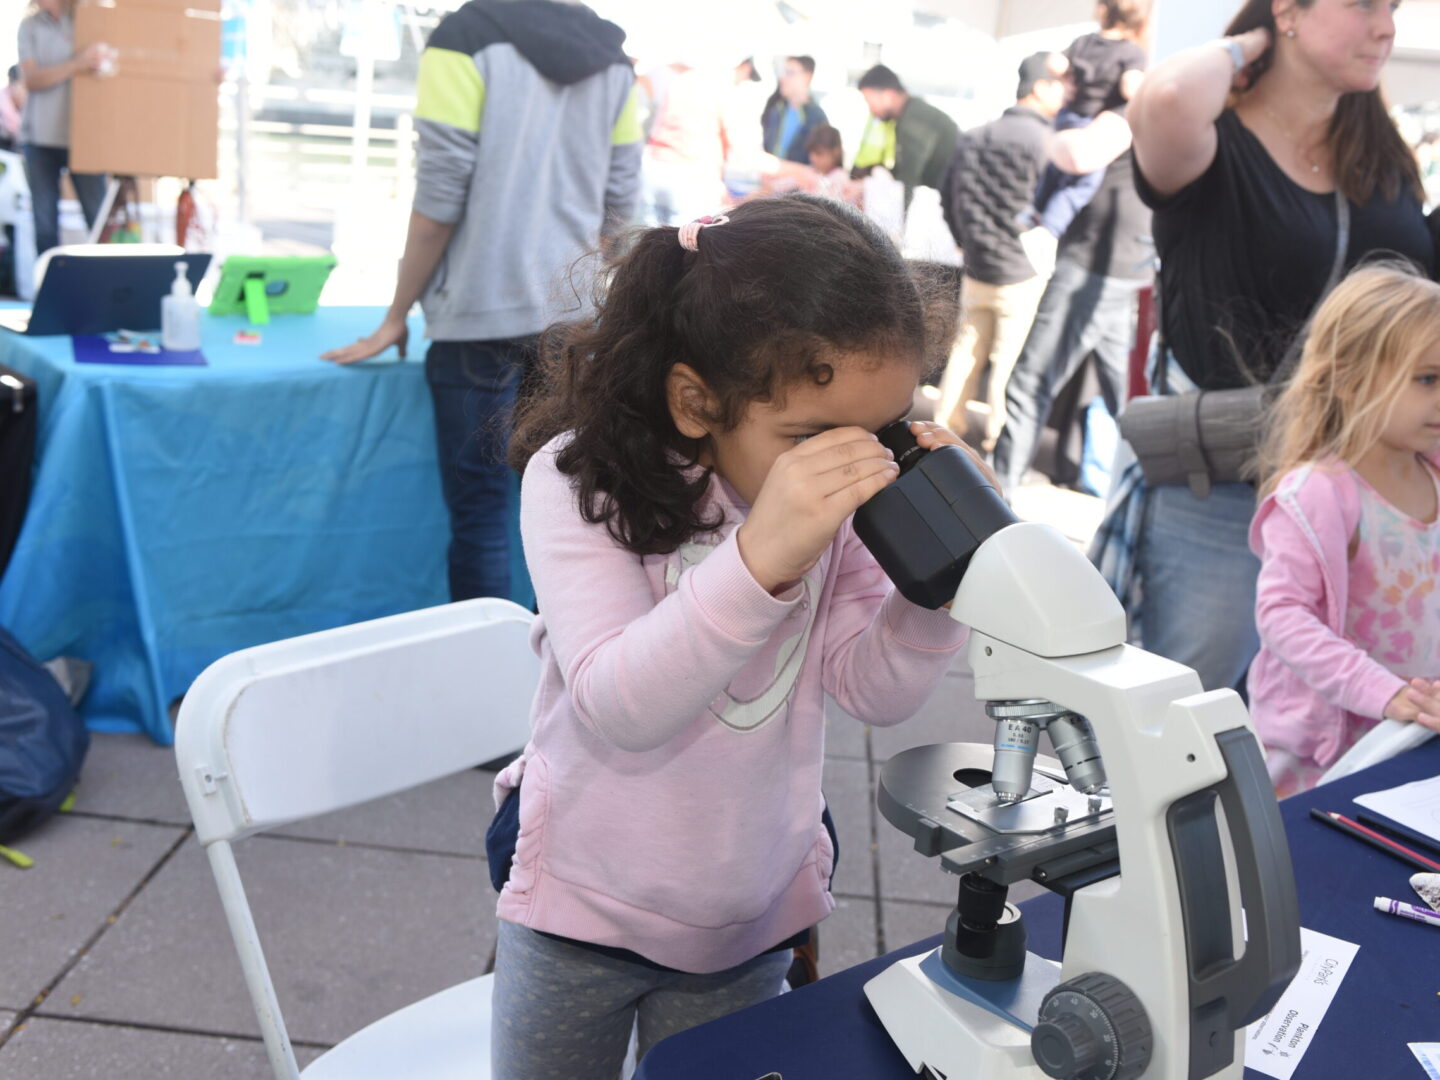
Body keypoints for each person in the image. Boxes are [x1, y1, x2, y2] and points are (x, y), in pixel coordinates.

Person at [490, 195, 978, 1077]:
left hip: (746, 920)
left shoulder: (838, 508)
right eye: (812, 437)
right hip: (580, 910)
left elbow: (869, 689)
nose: (855, 463)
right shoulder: (579, 485)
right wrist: (760, 560)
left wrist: (935, 582)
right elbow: (618, 705)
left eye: (881, 429)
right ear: (695, 401)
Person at [1106, 0, 1436, 697]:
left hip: (1365, 492)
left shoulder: (1379, 156)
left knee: (1342, 713)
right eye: (1364, 5)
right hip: (1226, 483)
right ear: (1289, 10)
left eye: (1396, 8)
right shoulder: (1212, 140)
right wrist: (1248, 45)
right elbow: (1163, 95)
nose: (1387, 26)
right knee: (1190, 712)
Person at [322, 0, 642, 607]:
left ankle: (485, 670)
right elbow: (620, 204)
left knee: (480, 515)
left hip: (478, 317)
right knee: (567, 514)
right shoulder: (611, 57)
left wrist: (396, 316)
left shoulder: (462, 39)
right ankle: (567, 671)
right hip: (570, 322)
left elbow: (439, 200)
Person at [1249, 265, 1440, 798]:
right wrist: (1381, 692)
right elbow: (1282, 616)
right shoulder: (1320, 493)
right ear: (1351, 380)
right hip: (1317, 755)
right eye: (1428, 379)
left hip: (1406, 737)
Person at [990, 107, 1151, 493]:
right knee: (1127, 402)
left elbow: (1078, 156)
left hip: (1093, 270)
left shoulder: (1126, 114)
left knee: (1030, 385)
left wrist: (1053, 134)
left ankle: (995, 499)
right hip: (1130, 270)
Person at [935, 51, 1068, 452]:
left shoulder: (974, 136)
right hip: (1024, 272)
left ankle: (943, 431)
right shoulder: (1051, 142)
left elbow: (947, 195)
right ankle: (998, 442)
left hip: (977, 264)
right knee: (1010, 366)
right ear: (1042, 86)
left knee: (964, 355)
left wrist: (965, 240)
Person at [1028, 0, 1150, 239]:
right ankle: (1049, 229)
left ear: (1104, 10)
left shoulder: (1084, 41)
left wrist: (1064, 75)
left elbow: (1055, 62)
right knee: (1080, 184)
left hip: (1068, 116)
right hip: (1092, 124)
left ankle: (1033, 211)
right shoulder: (1133, 52)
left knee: (1053, 170)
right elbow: (1129, 87)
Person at [16, 0, 108, 257]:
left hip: (85, 138)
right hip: (39, 139)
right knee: (44, 224)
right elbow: (32, 79)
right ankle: (48, 289)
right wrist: (77, 64)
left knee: (99, 219)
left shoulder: (88, 19)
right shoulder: (30, 26)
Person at [853, 64, 959, 206]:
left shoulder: (915, 120)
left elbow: (907, 181)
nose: (871, 111)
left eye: (870, 102)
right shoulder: (908, 115)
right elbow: (901, 173)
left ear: (888, 95)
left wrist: (894, 224)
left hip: (959, 196)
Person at [760, 55, 828, 165]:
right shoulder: (775, 110)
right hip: (770, 178)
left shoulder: (817, 118)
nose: (783, 78)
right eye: (783, 73)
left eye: (790, 73)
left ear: (807, 76)